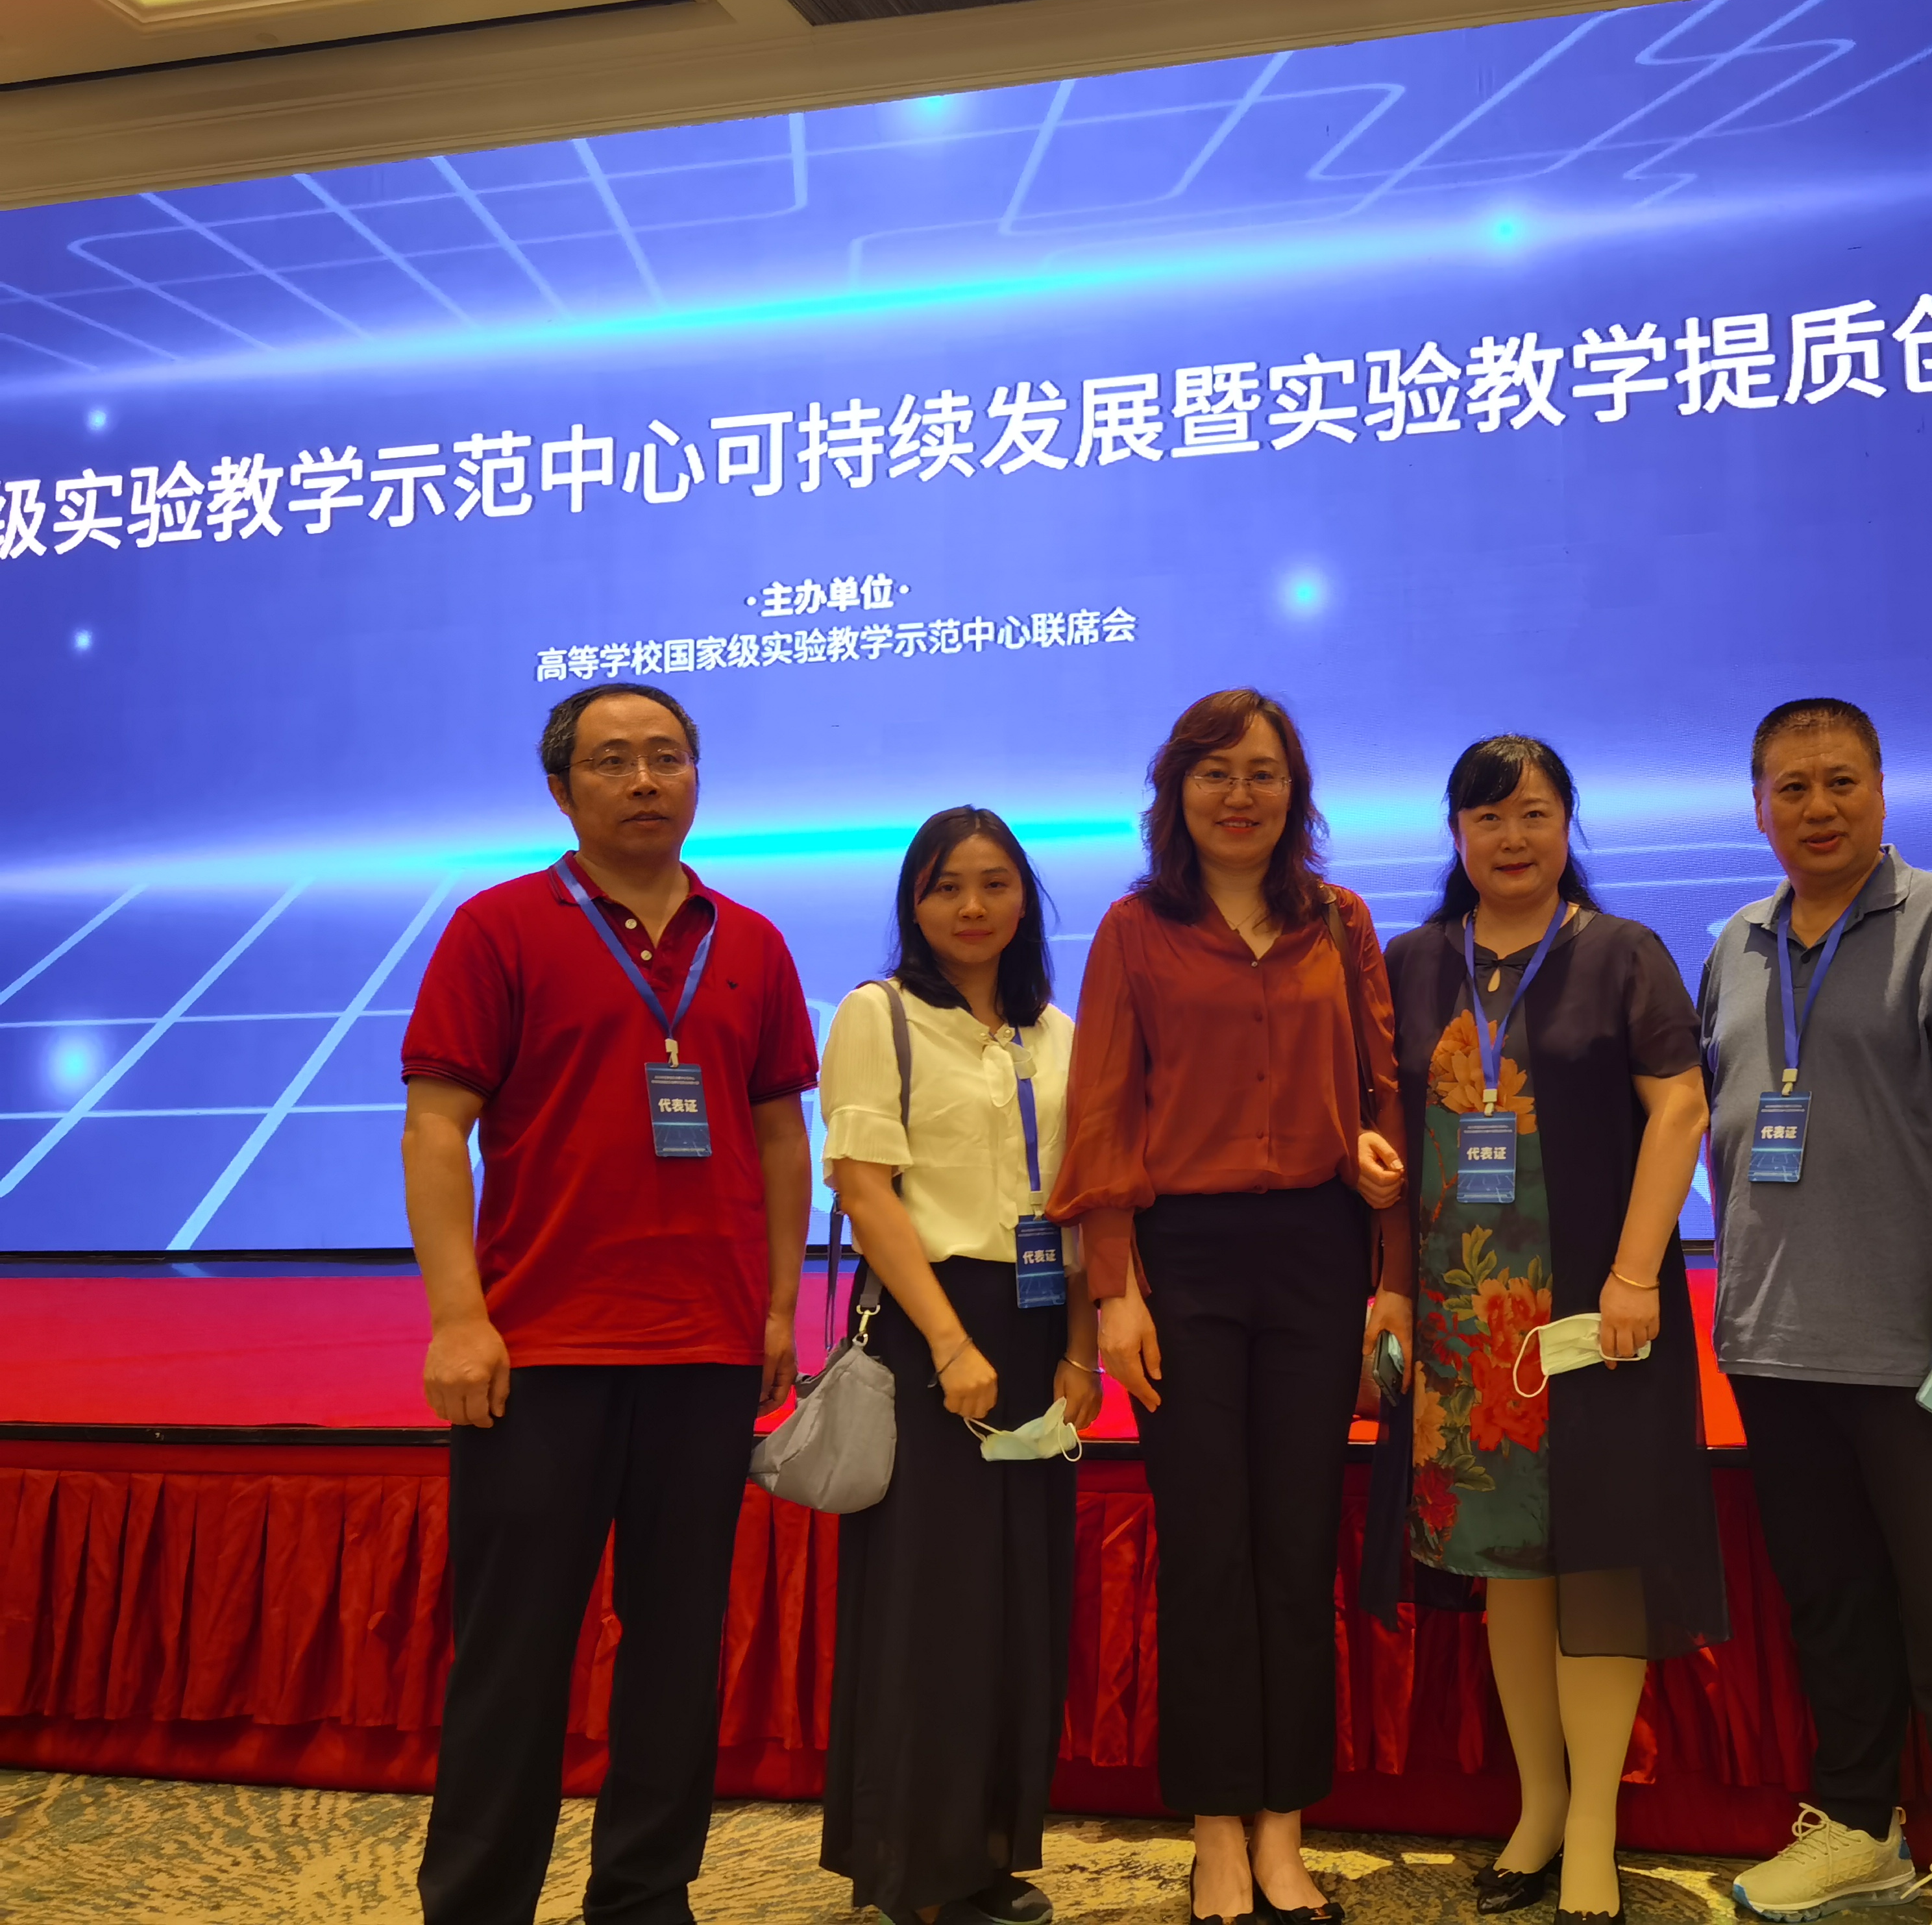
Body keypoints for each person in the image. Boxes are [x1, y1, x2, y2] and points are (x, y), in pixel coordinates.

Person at [401, 681, 817, 1925]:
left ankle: (644, 1897)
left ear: (697, 777)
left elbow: (778, 1137)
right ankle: (477, 1905)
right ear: (561, 790)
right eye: (613, 761)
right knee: (515, 1655)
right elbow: (436, 1130)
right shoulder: (497, 928)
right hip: (539, 1352)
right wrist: (459, 1319)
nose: (645, 781)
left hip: (704, 1351)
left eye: (668, 757)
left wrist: (778, 1308)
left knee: (679, 1651)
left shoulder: (752, 943)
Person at [1052, 688, 1410, 1925]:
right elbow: (1103, 1112)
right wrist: (1116, 1291)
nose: (1240, 795)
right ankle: (1213, 1831)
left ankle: (1284, 1831)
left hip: (1317, 1253)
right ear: (1177, 793)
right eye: (1215, 773)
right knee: (1208, 1548)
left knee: (1297, 1544)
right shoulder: (1135, 929)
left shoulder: (1340, 923)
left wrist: (1388, 1248)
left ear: (1294, 792)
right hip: (1187, 1264)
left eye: (1263, 773)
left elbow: (1382, 1092)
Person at [1696, 698, 1932, 1925]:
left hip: (1918, 1341)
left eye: (1841, 781)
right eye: (1792, 788)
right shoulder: (1736, 943)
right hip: (1774, 1340)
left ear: (1882, 790)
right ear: (1759, 807)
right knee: (1831, 1606)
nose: (1819, 807)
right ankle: (1859, 1828)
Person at [1378, 736, 1724, 1925]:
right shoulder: (1413, 962)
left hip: (1591, 1314)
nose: (1511, 838)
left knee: (1599, 1565)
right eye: (1487, 818)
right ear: (1456, 834)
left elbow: (1680, 1110)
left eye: (1533, 813)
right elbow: (1388, 1126)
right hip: (1463, 1327)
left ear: (1568, 823)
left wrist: (1635, 1276)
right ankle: (1537, 1808)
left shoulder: (1621, 953)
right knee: (1508, 1577)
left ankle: (1594, 1832)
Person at [818, 807, 1103, 1925]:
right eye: (946, 887)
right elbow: (865, 1187)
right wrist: (949, 1344)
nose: (972, 907)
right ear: (914, 903)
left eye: (994, 884)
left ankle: (985, 1852)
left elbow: (1079, 1203)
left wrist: (1079, 1349)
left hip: (1037, 1325)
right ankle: (915, 1869)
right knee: (931, 1603)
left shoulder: (1058, 1032)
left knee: (1018, 1603)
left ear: (1025, 898)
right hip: (931, 1322)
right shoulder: (878, 1014)